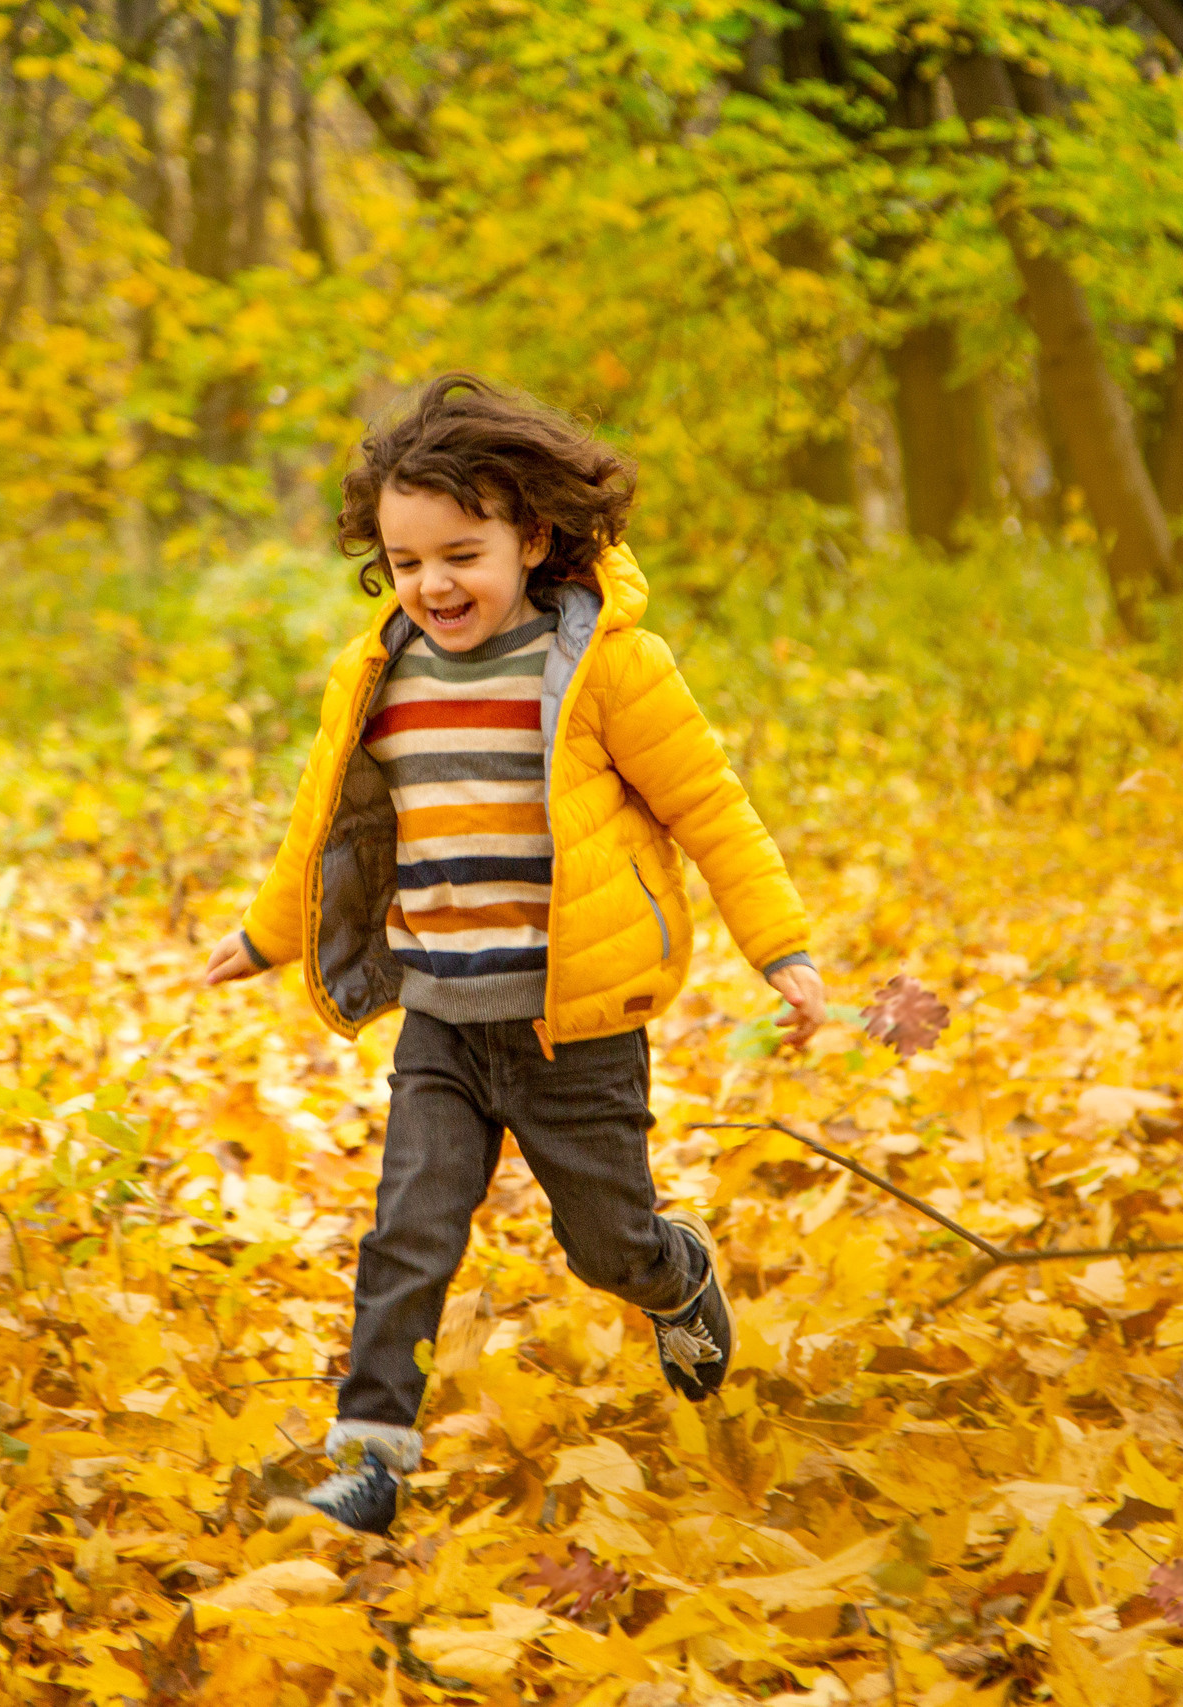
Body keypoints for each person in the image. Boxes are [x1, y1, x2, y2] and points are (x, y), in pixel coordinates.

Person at [202, 374, 827, 1535]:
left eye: (461, 555)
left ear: (531, 539)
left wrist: (779, 946)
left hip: (571, 1028)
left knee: (606, 1245)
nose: (432, 584)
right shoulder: (379, 674)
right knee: (407, 1235)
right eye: (405, 561)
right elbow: (327, 822)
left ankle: (674, 1274)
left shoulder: (606, 669)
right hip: (441, 1019)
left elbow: (709, 806)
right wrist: (266, 934)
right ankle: (371, 1459)